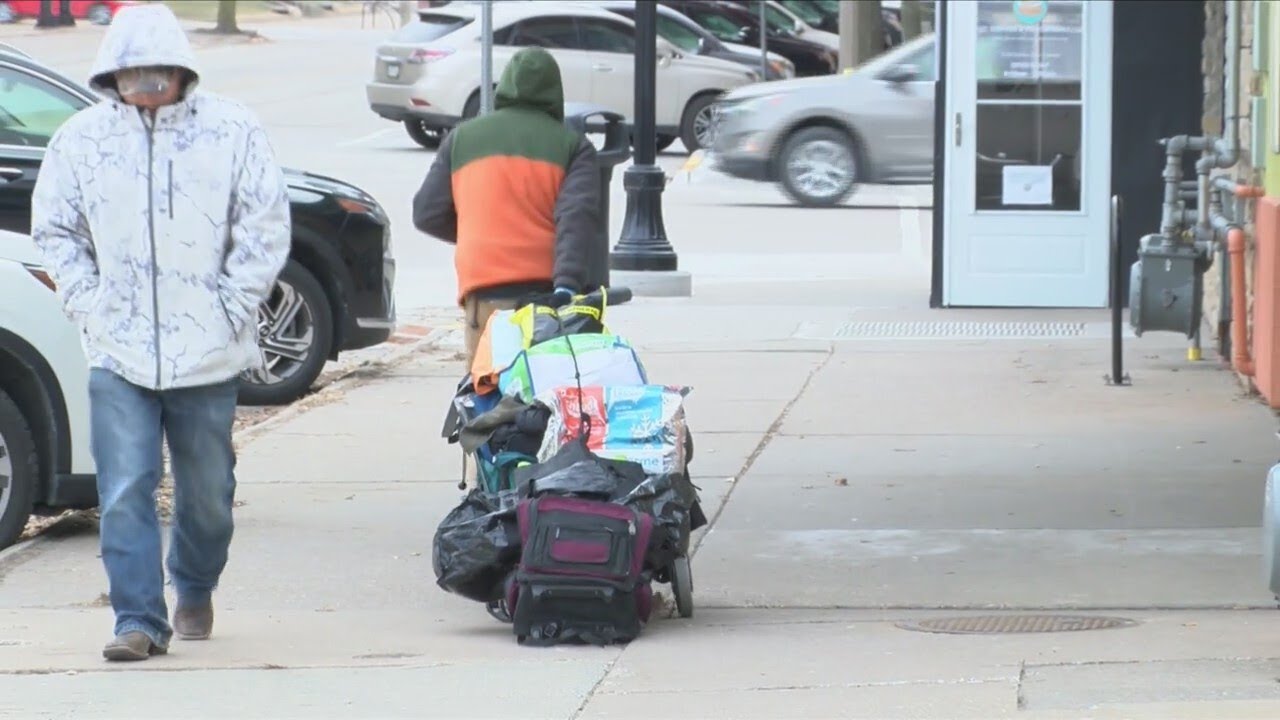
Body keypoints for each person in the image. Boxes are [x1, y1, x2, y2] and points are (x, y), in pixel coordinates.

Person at [31, 4, 291, 662]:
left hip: (208, 351)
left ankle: (196, 585)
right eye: (130, 78)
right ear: (109, 77)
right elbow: (56, 231)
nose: (144, 89)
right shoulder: (81, 140)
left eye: (156, 77)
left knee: (208, 497)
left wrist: (233, 304)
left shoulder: (232, 130)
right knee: (123, 490)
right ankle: (137, 619)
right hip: (117, 351)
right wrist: (88, 301)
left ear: (182, 72)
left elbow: (264, 225)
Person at [411, 46, 600, 365]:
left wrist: (480, 229)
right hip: (546, 298)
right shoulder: (572, 146)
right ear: (555, 92)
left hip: (483, 294)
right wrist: (567, 284)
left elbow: (427, 213)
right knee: (543, 397)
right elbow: (576, 219)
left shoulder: (462, 139)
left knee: (485, 397)